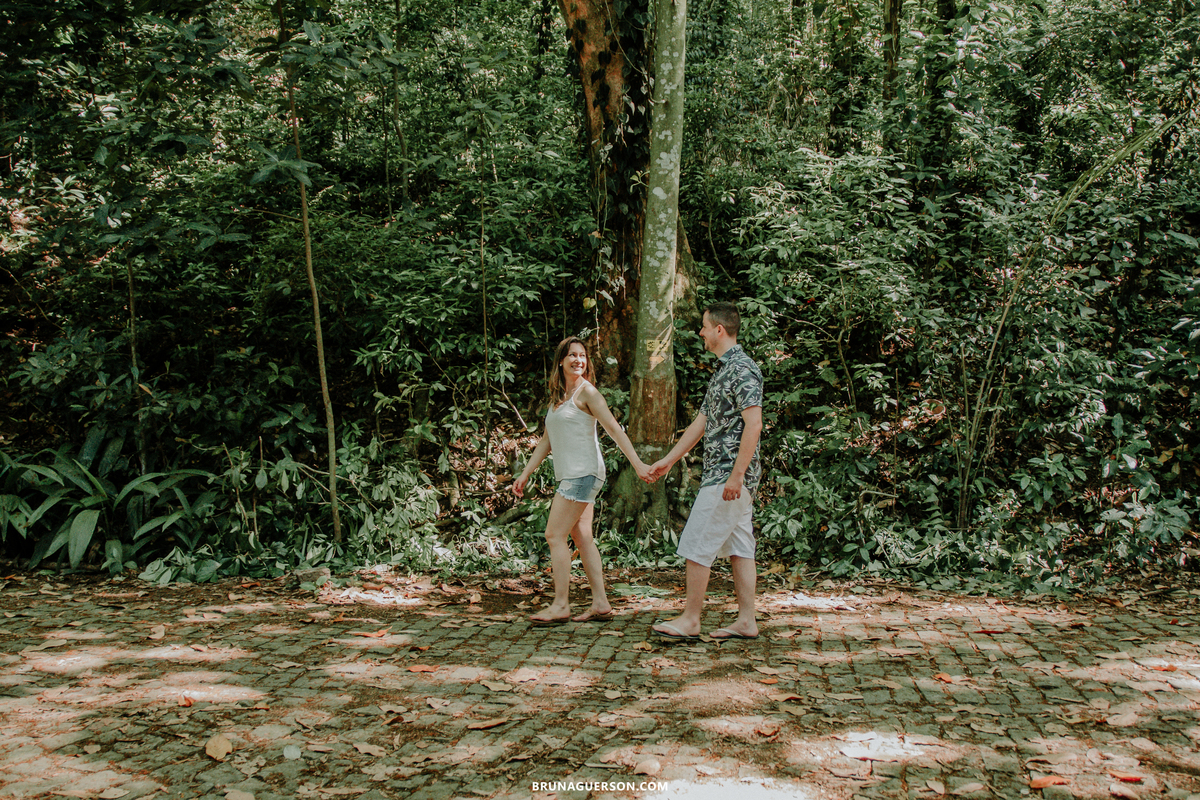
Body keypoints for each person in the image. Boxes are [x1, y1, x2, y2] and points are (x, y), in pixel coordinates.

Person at [512, 336, 653, 624]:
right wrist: (526, 473)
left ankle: (561, 604)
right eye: (573, 355)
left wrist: (637, 464)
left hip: (583, 474)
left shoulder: (587, 393)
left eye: (583, 355)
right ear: (561, 361)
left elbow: (613, 428)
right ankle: (600, 603)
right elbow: (547, 440)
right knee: (582, 537)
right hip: (573, 474)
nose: (579, 360)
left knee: (554, 535)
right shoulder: (559, 397)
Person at [648, 302, 763, 640]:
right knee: (741, 547)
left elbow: (753, 425)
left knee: (696, 541)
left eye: (703, 326)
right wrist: (668, 460)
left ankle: (691, 619)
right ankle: (746, 621)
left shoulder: (742, 368)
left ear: (719, 330)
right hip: (724, 472)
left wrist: (737, 475)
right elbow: (701, 423)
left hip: (728, 474)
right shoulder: (722, 371)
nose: (700, 332)